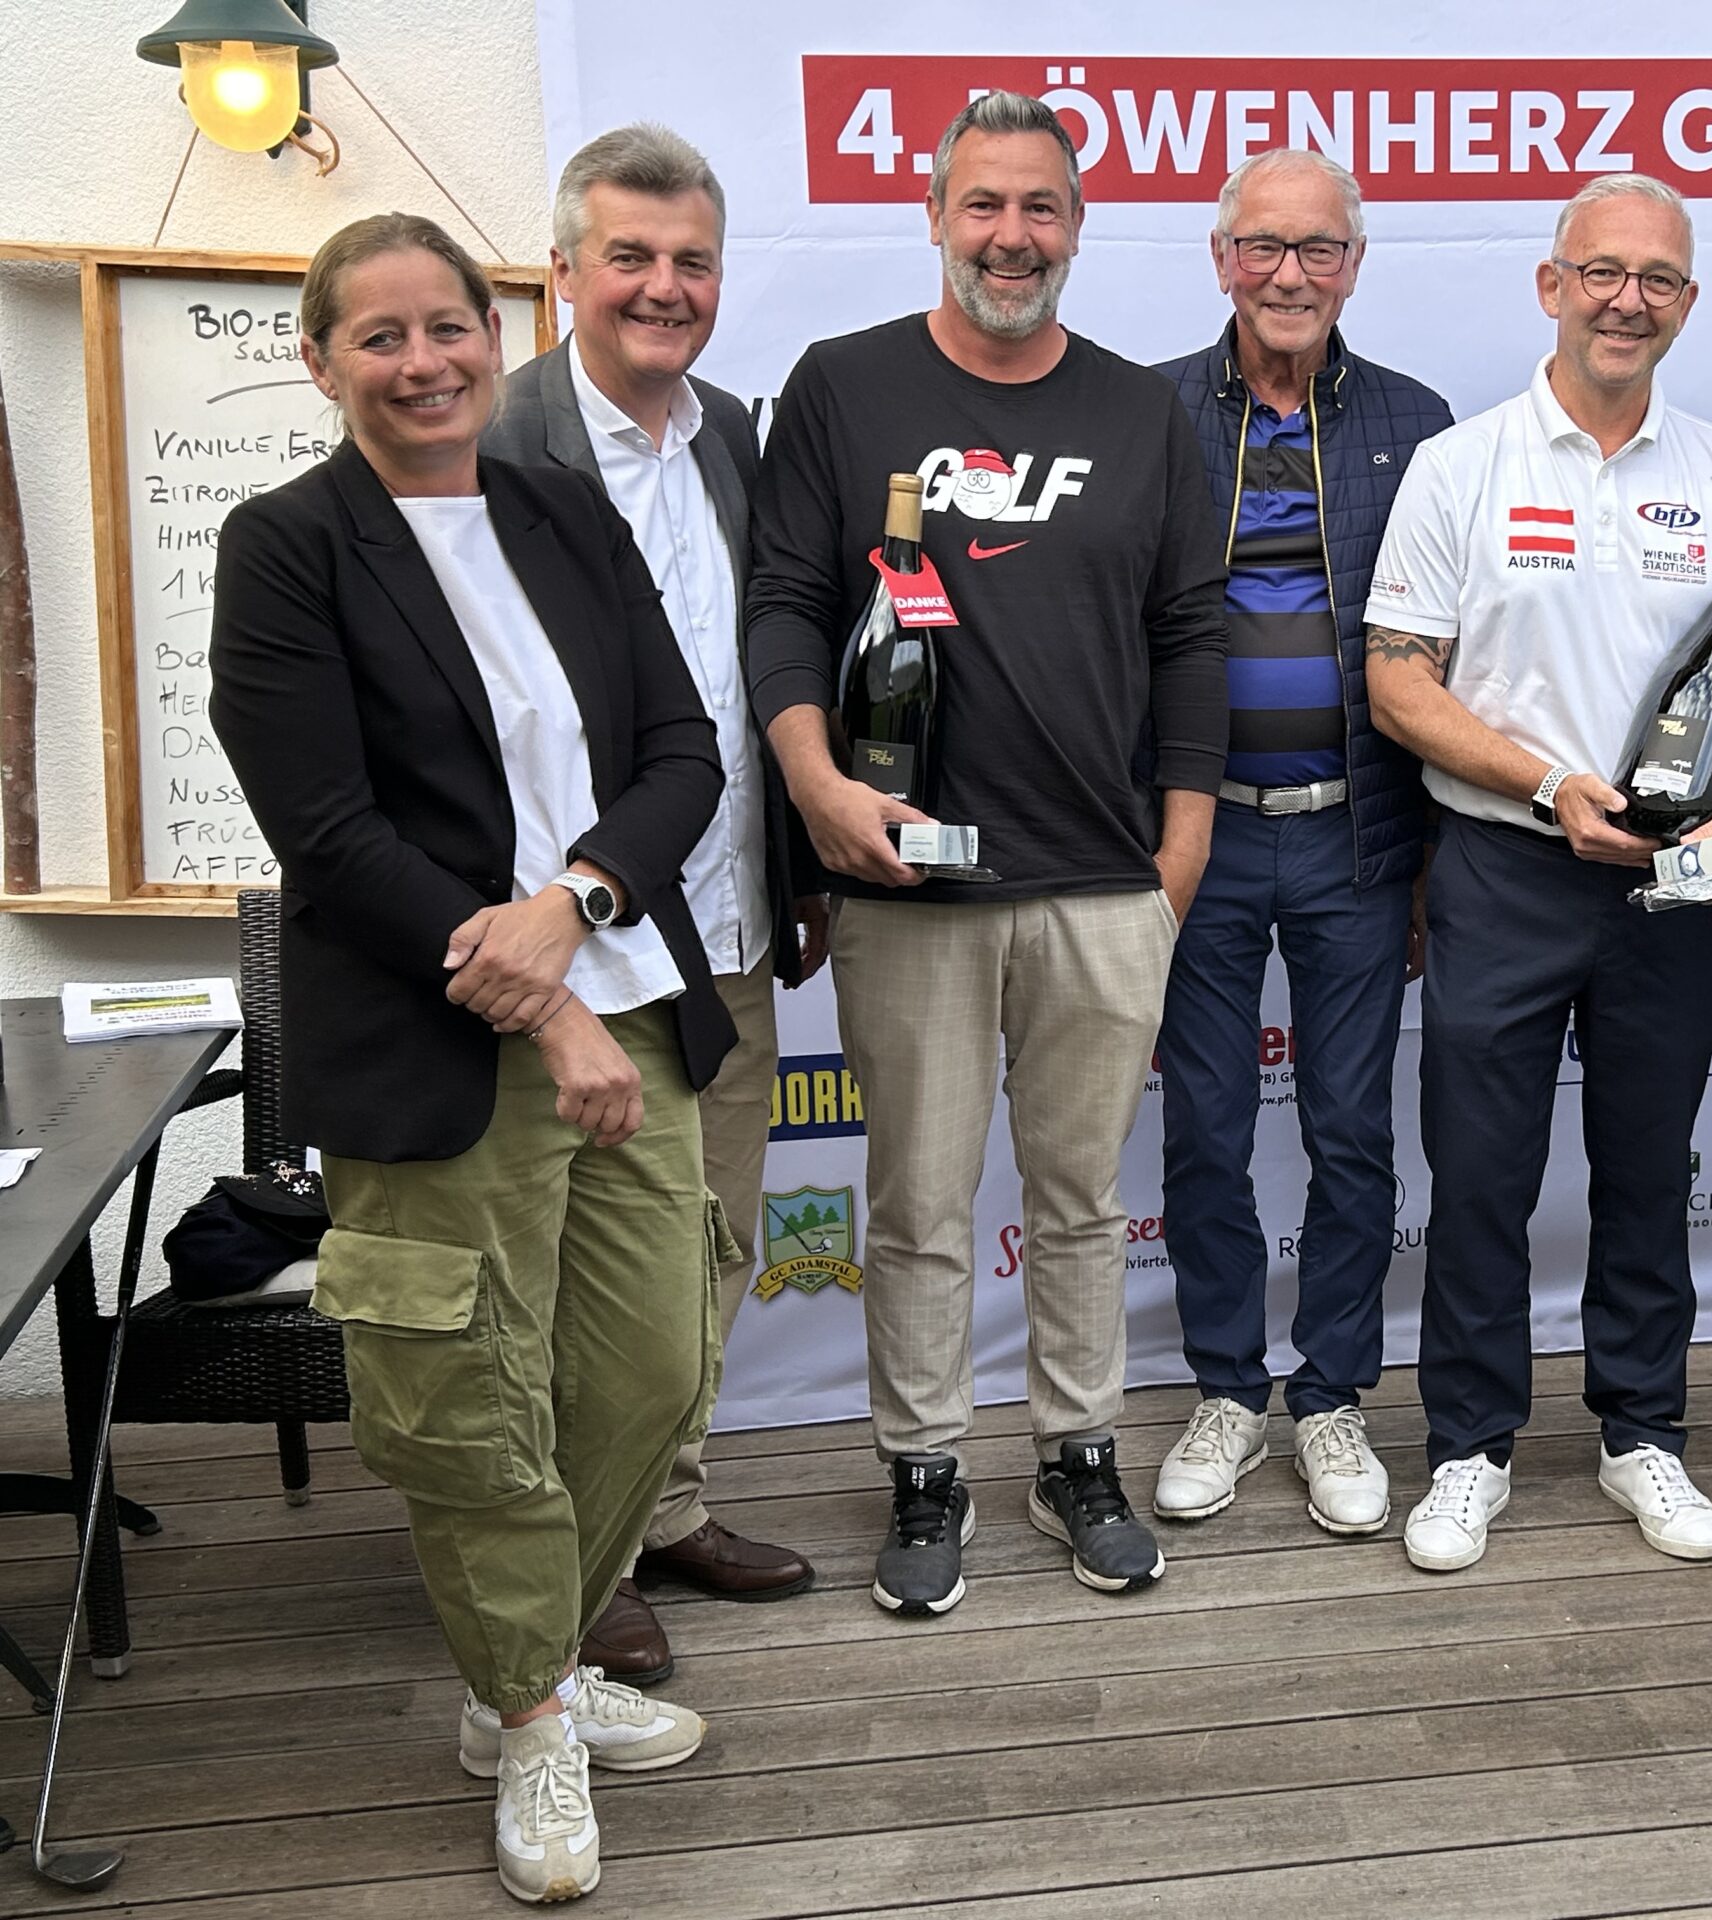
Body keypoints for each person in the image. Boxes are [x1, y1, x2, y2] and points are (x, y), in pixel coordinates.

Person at [210, 212, 734, 1905]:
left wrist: (578, 908)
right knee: (471, 1397)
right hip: (436, 1039)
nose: (424, 362)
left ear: (493, 335)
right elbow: (327, 832)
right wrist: (541, 999)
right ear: (321, 361)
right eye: (380, 337)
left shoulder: (564, 512)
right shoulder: (287, 547)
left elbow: (683, 749)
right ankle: (525, 1714)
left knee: (650, 1369)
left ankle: (534, 1659)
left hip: (629, 992)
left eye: (448, 327)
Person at [745, 92, 1227, 1611]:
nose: (1011, 237)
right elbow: (782, 605)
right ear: (935, 216)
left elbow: (1190, 632)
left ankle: (1078, 1453)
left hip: (1103, 883)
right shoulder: (842, 388)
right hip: (908, 883)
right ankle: (924, 1467)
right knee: (918, 1205)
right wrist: (818, 793)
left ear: (1076, 229)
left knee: (1082, 1200)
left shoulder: (1141, 410)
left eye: (1041, 208)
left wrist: (1180, 856)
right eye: (984, 205)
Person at [1364, 173, 1712, 1574]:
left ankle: (1643, 1433)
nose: (1629, 301)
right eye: (1603, 273)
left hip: (1670, 886)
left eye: (1659, 280)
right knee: (1481, 1173)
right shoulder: (1463, 465)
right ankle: (1468, 1447)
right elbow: (1399, 682)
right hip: (1505, 868)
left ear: (1687, 303)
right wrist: (1547, 785)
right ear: (1552, 285)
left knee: (1646, 1167)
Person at [482, 122, 824, 1683]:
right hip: (577, 948)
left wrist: (792, 871)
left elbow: (763, 674)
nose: (662, 287)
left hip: (727, 928)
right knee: (583, 1282)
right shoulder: (497, 443)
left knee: (711, 1249)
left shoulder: (733, 433)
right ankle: (581, 1554)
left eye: (691, 260)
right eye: (629, 256)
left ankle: (663, 1504)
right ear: (563, 271)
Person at [1148, 148, 1453, 1537]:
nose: (1289, 274)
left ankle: (1331, 1396)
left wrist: (1435, 856)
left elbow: (1450, 648)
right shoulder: (1150, 412)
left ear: (1354, 266)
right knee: (1205, 1132)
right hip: (1196, 840)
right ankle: (1227, 1387)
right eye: (1263, 246)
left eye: (1318, 248)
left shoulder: (1415, 423)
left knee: (1352, 1133)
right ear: (1222, 259)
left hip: (1358, 839)